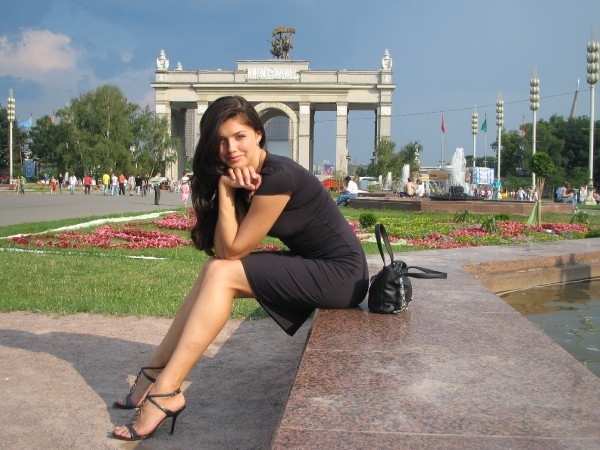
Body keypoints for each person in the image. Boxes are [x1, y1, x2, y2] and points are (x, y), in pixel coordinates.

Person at [112, 96, 369, 441]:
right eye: (221, 140)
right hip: (320, 265)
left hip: (341, 275)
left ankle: (166, 390)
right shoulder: (248, 176)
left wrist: (224, 188)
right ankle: (155, 370)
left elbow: (233, 250)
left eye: (239, 136)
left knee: (221, 273)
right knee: (213, 270)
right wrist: (227, 189)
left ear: (259, 134)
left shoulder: (277, 177)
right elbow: (223, 250)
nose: (230, 148)